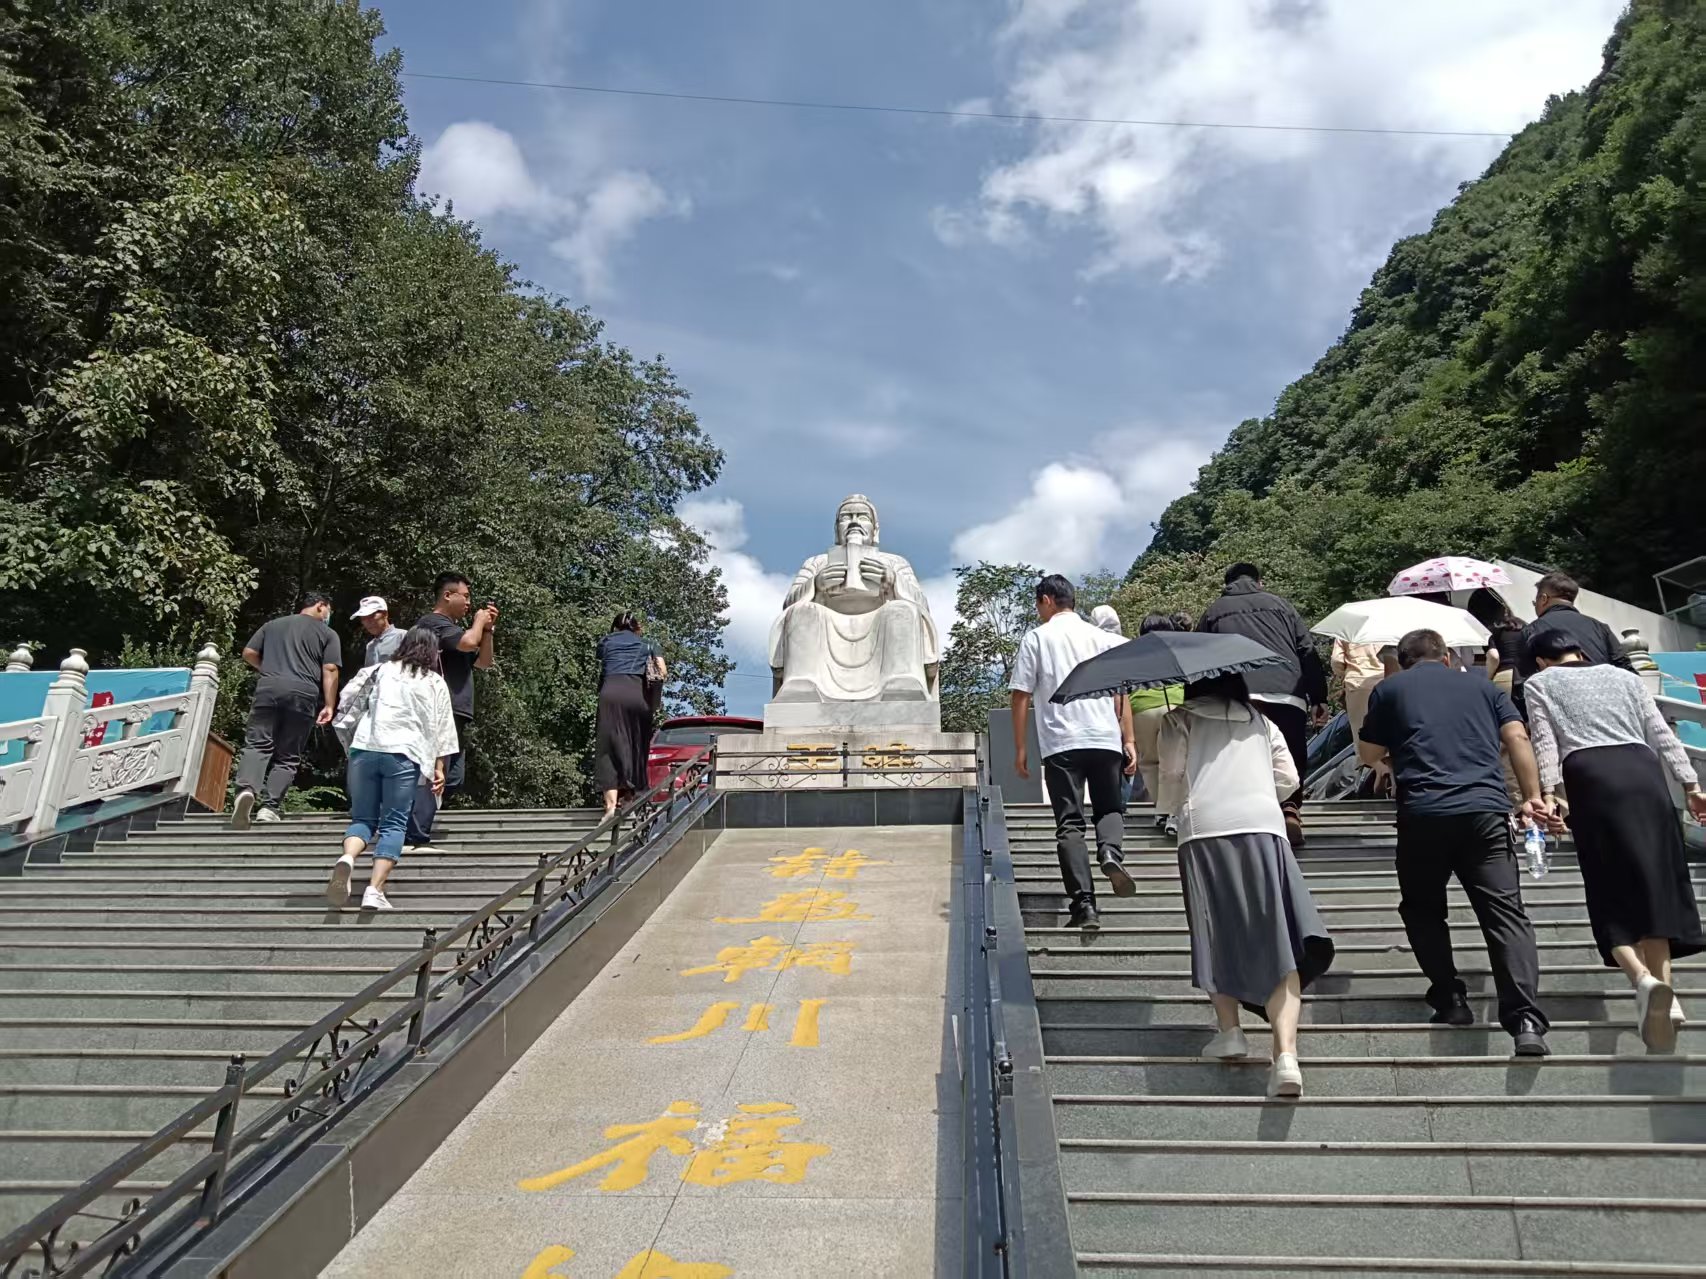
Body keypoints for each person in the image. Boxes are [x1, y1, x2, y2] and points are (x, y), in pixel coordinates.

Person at [1359, 629, 1554, 1056]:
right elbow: (1518, 738)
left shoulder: (1390, 689)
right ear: (1447, 657)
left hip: (1423, 815)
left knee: (1423, 910)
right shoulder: (1484, 687)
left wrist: (1395, 755)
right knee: (1506, 916)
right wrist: (1532, 797)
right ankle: (1525, 1020)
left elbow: (1368, 753)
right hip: (1485, 812)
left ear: (1404, 662)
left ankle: (1450, 999)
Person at [1524, 630, 1706, 1051]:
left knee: (1608, 886)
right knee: (1655, 884)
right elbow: (1661, 733)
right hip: (1643, 772)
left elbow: (1545, 742)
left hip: (1592, 776)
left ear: (1541, 661)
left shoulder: (1540, 683)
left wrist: (1549, 793)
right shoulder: (1624, 677)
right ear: (1581, 652)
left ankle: (1642, 980)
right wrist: (1692, 785)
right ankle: (1669, 996)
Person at [1159, 672, 1334, 1098]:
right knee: (1279, 940)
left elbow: (1172, 776)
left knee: (1215, 932)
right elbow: (1288, 779)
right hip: (1264, 828)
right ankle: (1286, 1055)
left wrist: (1169, 805)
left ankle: (1230, 1031)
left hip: (1204, 830)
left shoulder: (1179, 719)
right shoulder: (1261, 720)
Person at [1010, 574, 1138, 932]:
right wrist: (1129, 740)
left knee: (1069, 823)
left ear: (1047, 600)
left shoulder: (1037, 638)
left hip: (1061, 742)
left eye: (1038, 604)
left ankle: (1084, 906)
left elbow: (1020, 695)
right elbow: (1121, 692)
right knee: (1109, 808)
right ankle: (1110, 851)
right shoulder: (1103, 639)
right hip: (1105, 738)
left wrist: (1021, 747)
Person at [327, 627, 460, 911]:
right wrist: (439, 768)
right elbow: (443, 727)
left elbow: (348, 699)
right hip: (403, 754)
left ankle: (348, 858)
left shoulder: (378, 670)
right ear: (432, 651)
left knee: (362, 818)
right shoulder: (434, 681)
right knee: (394, 824)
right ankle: (374, 890)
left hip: (365, 748)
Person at [1196, 564, 1328, 848]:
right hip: (1286, 691)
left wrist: (1196, 704)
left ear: (1227, 584)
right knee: (1289, 752)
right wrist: (1319, 697)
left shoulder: (1214, 611)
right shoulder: (1282, 606)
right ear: (1259, 582)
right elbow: (1307, 651)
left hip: (1238, 694)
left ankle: (1249, 819)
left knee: (1241, 757)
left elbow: (1200, 659)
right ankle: (1290, 809)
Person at [231, 592, 341, 829]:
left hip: (268, 688)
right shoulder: (327, 634)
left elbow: (248, 653)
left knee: (257, 744)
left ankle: (246, 790)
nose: (328, 615)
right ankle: (269, 807)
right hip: (303, 693)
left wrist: (268, 670)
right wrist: (330, 705)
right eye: (328, 610)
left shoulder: (272, 625)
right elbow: (330, 668)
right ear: (320, 606)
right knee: (288, 754)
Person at [406, 573, 497, 849]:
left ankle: (415, 825)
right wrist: (478, 622)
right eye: (465, 596)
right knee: (433, 771)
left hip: (456, 711)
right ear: (448, 595)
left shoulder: (456, 631)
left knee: (453, 777)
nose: (469, 603)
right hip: (437, 708)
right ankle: (414, 835)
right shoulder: (433, 623)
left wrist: (488, 631)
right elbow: (468, 642)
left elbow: (483, 661)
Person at [594, 612, 666, 818]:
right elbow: (662, 672)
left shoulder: (606, 642)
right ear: (638, 627)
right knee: (635, 745)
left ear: (615, 627)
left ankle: (610, 806)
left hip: (610, 694)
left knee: (608, 748)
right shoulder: (649, 644)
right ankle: (630, 798)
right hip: (637, 695)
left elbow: (602, 658)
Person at [1517, 572, 1635, 684]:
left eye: (1535, 603)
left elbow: (1524, 678)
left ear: (1544, 599)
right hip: (1608, 695)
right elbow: (1625, 668)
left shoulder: (1531, 630)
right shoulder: (1601, 628)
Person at [1131, 613, 1185, 834]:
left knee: (1149, 762)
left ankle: (1161, 811)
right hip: (1173, 705)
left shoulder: (1133, 654)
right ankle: (1173, 814)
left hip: (1141, 708)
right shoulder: (1176, 651)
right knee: (1174, 763)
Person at [1331, 638, 1387, 771]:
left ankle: (1369, 771)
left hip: (1357, 684)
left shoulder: (1348, 630)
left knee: (1361, 737)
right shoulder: (1387, 628)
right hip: (1385, 678)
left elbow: (1336, 661)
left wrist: (1345, 672)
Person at [354, 596, 405, 667]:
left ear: (385, 614)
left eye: (371, 616)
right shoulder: (370, 646)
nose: (367, 622)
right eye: (363, 618)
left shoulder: (403, 636)